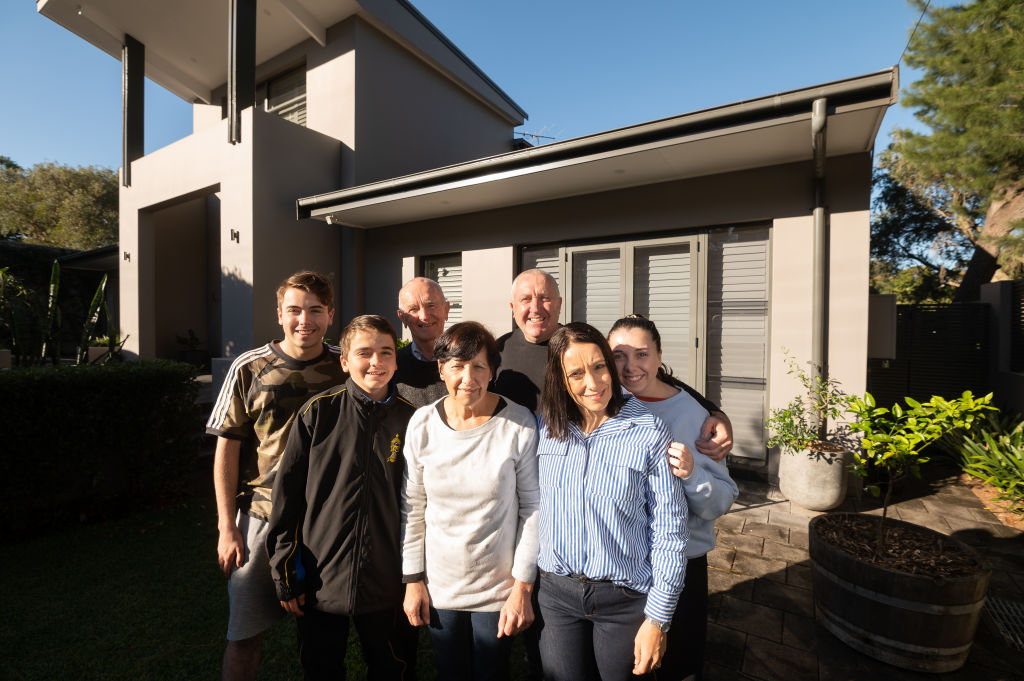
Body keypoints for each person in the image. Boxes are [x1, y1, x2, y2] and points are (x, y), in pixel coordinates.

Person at [207, 270, 345, 681]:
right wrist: (226, 527)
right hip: (262, 519)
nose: (305, 320)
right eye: (295, 310)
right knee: (245, 635)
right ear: (279, 315)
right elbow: (226, 450)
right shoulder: (249, 368)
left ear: (331, 315)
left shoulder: (345, 364)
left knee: (323, 639)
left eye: (315, 310)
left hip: (325, 521)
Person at [266, 314, 417, 680]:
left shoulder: (413, 420)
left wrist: (416, 576)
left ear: (396, 361)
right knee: (321, 668)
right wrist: (287, 572)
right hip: (320, 581)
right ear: (345, 361)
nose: (376, 362)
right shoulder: (318, 413)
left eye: (385, 352)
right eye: (364, 353)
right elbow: (286, 498)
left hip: (387, 581)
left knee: (392, 667)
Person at [535, 322, 688, 681]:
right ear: (561, 380)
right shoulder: (545, 428)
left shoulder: (648, 430)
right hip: (556, 595)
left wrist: (658, 619)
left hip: (624, 601)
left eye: (599, 366)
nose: (593, 383)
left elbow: (669, 531)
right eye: (576, 373)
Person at [401, 321, 540, 681]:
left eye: (479, 366)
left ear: (492, 371)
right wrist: (414, 579)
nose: (468, 377)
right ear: (441, 369)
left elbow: (533, 509)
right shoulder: (422, 425)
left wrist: (522, 587)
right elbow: (413, 507)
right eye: (457, 366)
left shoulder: (518, 423)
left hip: (499, 590)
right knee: (449, 671)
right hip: (440, 586)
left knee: (492, 671)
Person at [608, 316, 738, 681]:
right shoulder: (607, 408)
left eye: (642, 354)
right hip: (626, 569)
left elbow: (721, 502)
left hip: (682, 566)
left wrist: (693, 474)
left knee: (677, 667)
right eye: (619, 356)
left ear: (659, 356)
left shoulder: (694, 415)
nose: (631, 366)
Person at [494, 269, 734, 464]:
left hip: (572, 463)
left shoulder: (579, 344)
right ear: (513, 307)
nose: (535, 308)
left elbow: (648, 377)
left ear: (558, 304)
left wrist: (713, 411)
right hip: (514, 467)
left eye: (544, 298)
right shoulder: (497, 351)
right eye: (525, 299)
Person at [393, 276, 451, 407]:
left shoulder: (467, 360)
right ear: (402, 318)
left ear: (446, 309)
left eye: (431, 305)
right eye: (413, 309)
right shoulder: (392, 366)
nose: (424, 316)